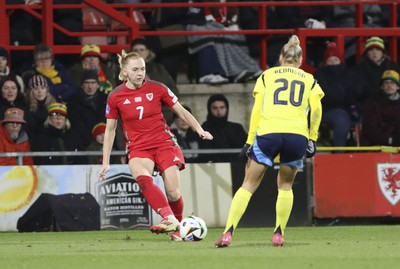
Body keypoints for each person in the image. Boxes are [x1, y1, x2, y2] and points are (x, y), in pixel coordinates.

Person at [214, 35, 324, 248]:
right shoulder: (310, 79)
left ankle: (228, 233)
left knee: (248, 184)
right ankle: (278, 234)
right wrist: (312, 138)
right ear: (300, 60)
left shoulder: (267, 76)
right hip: (296, 136)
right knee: (285, 185)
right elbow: (317, 110)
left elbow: (257, 109)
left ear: (281, 57)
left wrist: (249, 140)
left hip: (269, 133)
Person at [98, 50, 213, 240]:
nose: (140, 73)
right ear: (124, 71)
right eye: (135, 69)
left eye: (142, 69)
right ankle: (168, 217)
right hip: (138, 148)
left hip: (164, 143)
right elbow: (110, 130)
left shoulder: (158, 88)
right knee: (142, 177)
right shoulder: (115, 96)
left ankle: (176, 230)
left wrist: (199, 129)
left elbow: (181, 111)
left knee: (173, 193)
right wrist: (105, 162)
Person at [185, 0, 261, 84]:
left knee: (237, 35)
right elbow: (201, 13)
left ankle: (243, 69)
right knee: (215, 34)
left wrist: (230, 23)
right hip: (200, 24)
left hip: (221, 25)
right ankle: (221, 73)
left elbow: (231, 12)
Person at [313, 42, 362, 146]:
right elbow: (324, 94)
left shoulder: (350, 73)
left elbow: (358, 89)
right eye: (330, 60)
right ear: (325, 62)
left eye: (336, 60)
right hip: (328, 109)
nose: (333, 63)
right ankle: (339, 152)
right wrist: (346, 96)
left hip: (350, 108)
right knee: (342, 119)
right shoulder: (320, 74)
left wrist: (348, 97)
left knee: (364, 117)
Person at [198, 94, 247, 162]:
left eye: (222, 107)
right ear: (209, 109)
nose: (219, 111)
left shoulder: (237, 128)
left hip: (237, 166)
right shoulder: (204, 129)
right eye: (215, 108)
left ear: (227, 109)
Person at [354, 36, 400, 106]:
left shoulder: (391, 65)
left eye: (378, 50)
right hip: (368, 103)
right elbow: (359, 89)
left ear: (383, 52)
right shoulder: (359, 68)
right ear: (367, 53)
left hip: (392, 102)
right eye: (371, 50)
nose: (375, 53)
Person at [67, 70, 108, 148]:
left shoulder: (106, 101)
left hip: (108, 144)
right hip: (85, 146)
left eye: (93, 83)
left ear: (98, 85)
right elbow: (77, 128)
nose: (90, 86)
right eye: (86, 83)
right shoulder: (73, 104)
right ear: (82, 85)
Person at [360, 70, 400, 146]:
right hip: (373, 143)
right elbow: (370, 129)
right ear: (381, 86)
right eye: (386, 83)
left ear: (398, 87)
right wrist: (389, 140)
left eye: (392, 83)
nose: (389, 86)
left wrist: (395, 140)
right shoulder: (371, 102)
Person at [25, 74, 57, 138]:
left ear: (47, 90)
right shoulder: (27, 108)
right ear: (31, 91)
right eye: (36, 88)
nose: (39, 91)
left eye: (42, 88)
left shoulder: (55, 105)